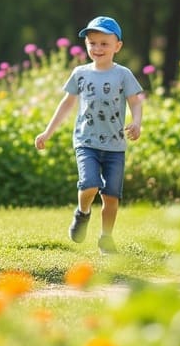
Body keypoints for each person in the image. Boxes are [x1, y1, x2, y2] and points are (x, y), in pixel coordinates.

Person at [35, 15, 144, 255]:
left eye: (104, 43)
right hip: (86, 142)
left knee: (112, 196)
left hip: (115, 146)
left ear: (118, 46)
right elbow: (66, 104)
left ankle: (106, 238)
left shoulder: (123, 74)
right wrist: (48, 131)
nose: (97, 48)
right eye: (92, 43)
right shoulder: (80, 73)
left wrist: (136, 122)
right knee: (89, 185)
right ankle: (83, 212)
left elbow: (135, 102)